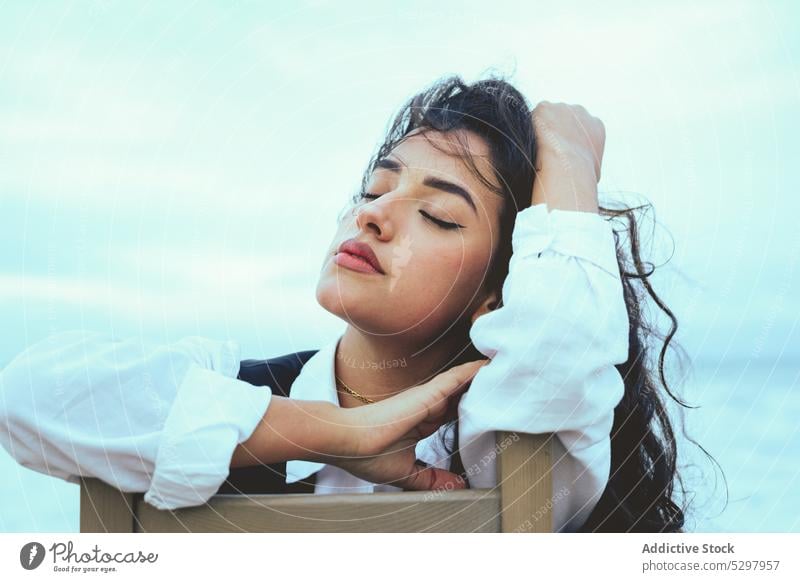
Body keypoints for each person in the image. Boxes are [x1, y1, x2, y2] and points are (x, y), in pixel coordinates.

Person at [0, 75, 687, 532]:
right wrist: (339, 434)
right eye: (374, 188)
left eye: (439, 216)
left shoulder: (498, 448)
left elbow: (556, 353)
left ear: (499, 296)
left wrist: (567, 159)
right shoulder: (219, 383)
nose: (375, 216)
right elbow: (26, 396)